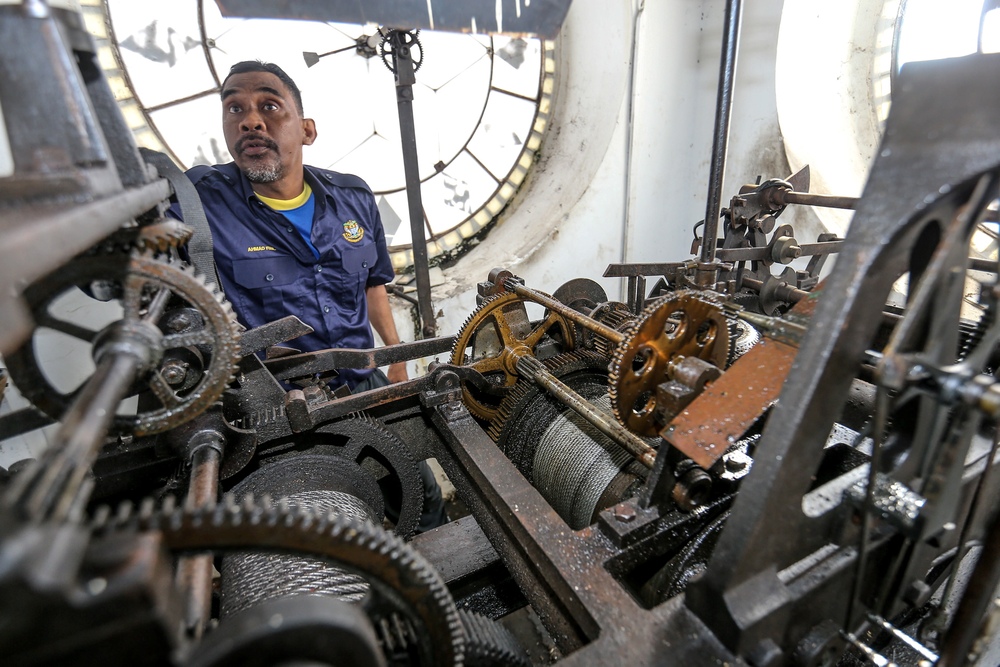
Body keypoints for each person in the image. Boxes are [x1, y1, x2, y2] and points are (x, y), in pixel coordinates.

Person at [171, 60, 447, 531]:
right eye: (234, 108)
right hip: (276, 408)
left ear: (307, 130)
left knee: (420, 497)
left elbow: (372, 282)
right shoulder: (197, 201)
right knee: (319, 534)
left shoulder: (355, 198)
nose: (251, 120)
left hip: (362, 382)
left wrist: (394, 357)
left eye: (270, 105)